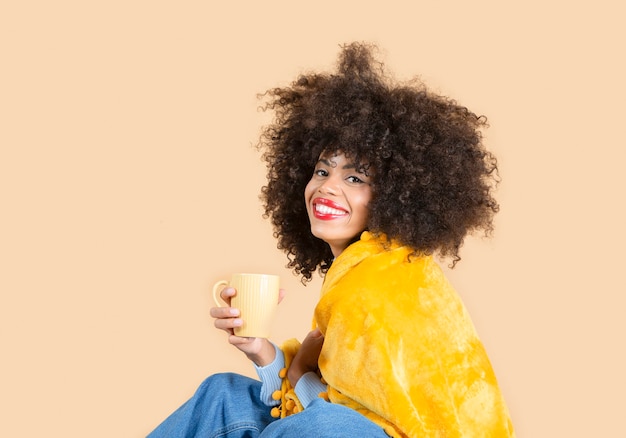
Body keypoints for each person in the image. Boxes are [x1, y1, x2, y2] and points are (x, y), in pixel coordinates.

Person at [148, 42, 515, 437]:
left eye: (355, 178)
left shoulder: (384, 285)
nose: (328, 187)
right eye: (323, 171)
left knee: (322, 425)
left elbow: (342, 420)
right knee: (222, 394)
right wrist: (260, 349)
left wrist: (302, 370)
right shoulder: (362, 268)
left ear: (394, 197)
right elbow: (322, 401)